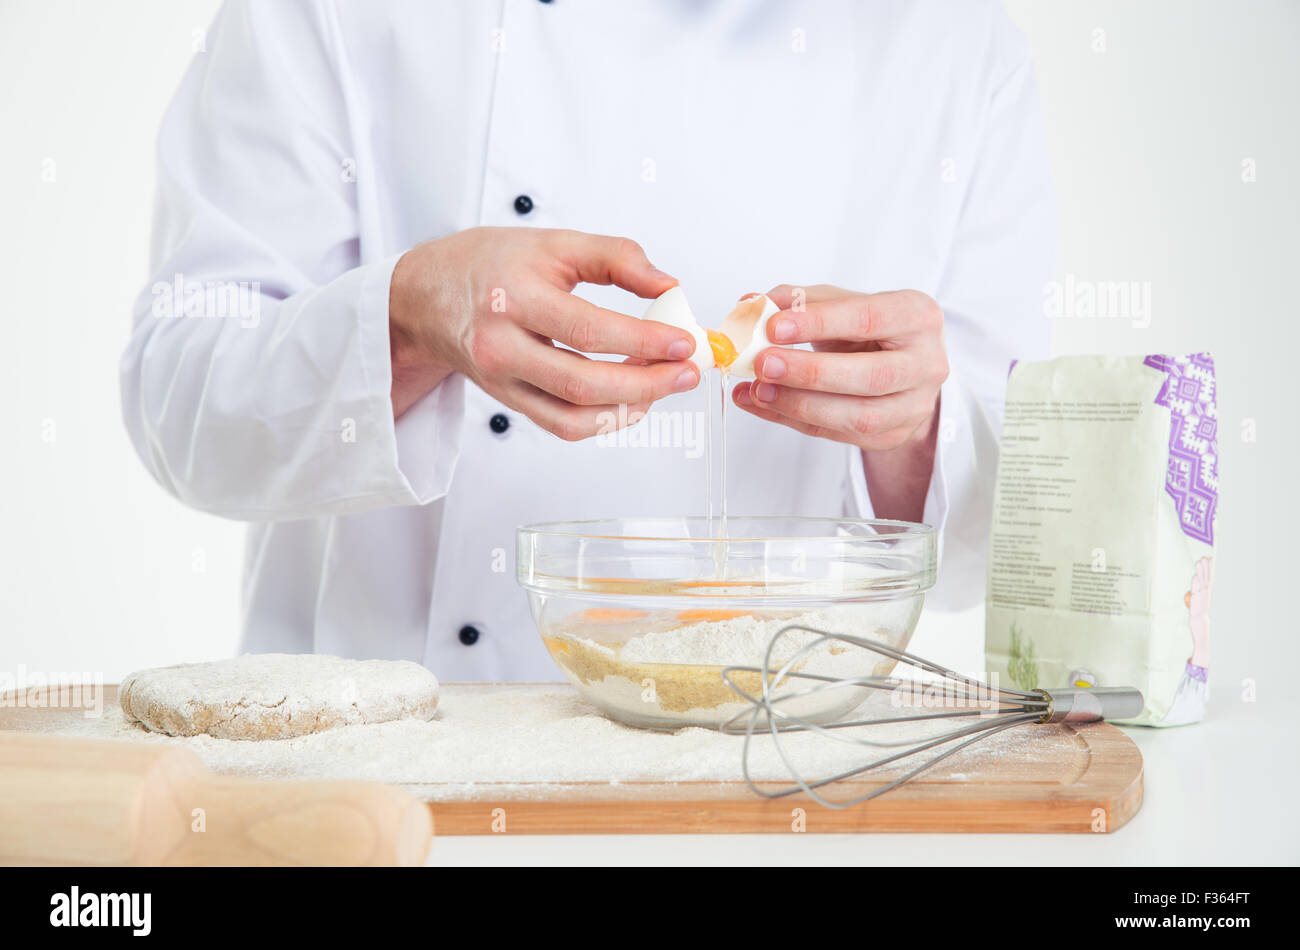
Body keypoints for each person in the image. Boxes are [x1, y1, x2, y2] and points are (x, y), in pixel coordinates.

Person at [120, 0, 1055, 679]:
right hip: (380, 770)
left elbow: (1012, 542)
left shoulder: (961, 50)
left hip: (777, 777)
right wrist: (409, 316)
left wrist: (916, 434)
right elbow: (182, 405)